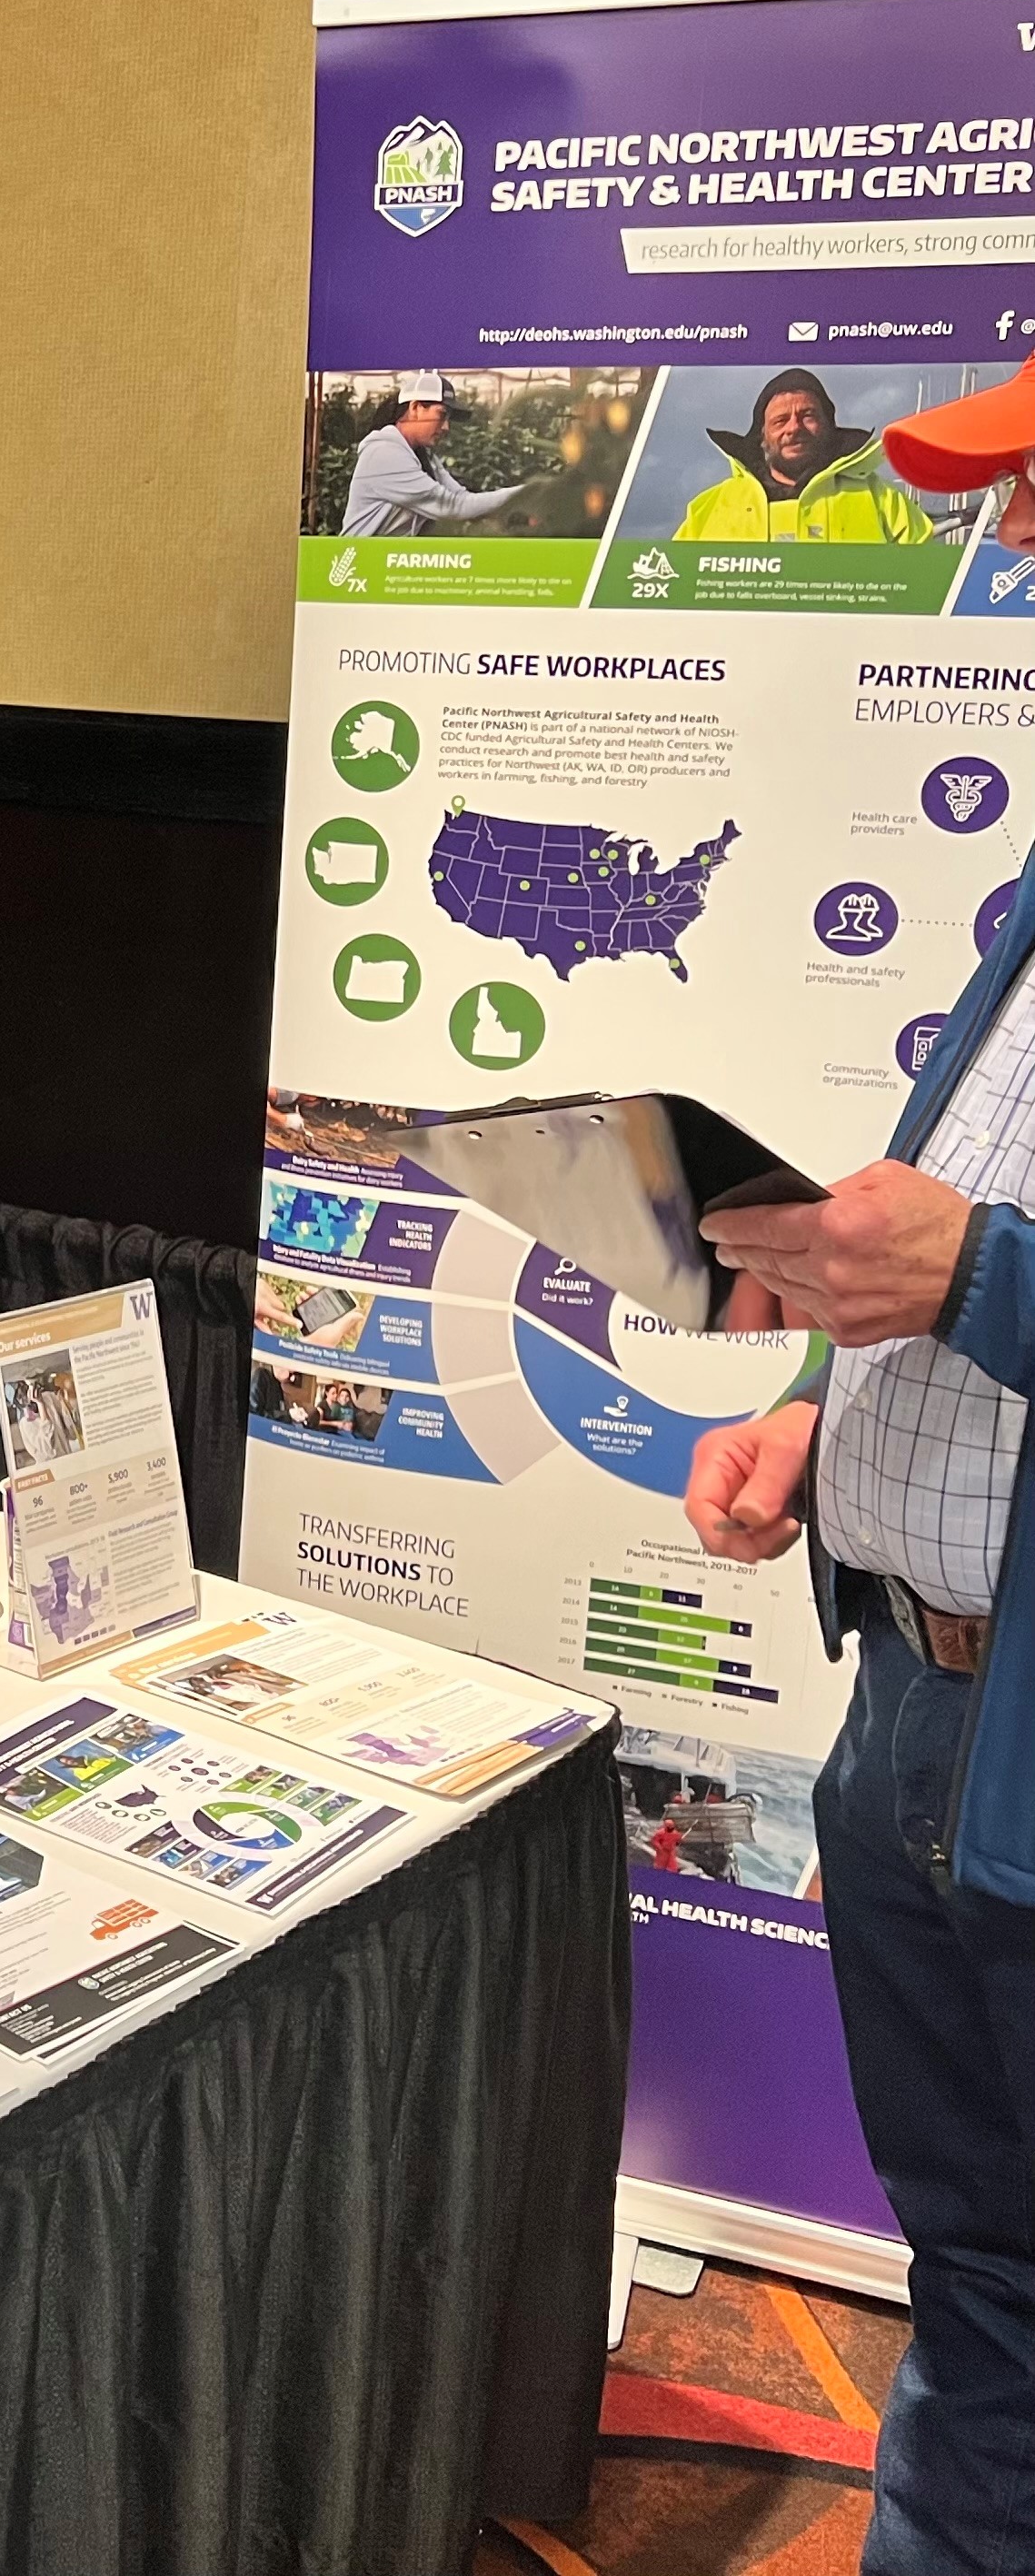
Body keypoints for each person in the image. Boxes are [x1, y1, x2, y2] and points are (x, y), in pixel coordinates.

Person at [680, 357, 1035, 2576]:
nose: (997, 552)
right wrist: (809, 1426)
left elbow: (987, 1265)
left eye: (1032, 501)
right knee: (979, 2284)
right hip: (912, 1717)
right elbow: (948, 1255)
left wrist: (979, 1275)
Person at [673, 368, 931, 545]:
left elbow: (928, 577)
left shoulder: (882, 500)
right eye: (780, 420)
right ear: (762, 437)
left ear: (829, 428)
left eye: (807, 416)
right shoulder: (708, 508)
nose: (794, 428)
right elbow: (676, 590)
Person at [337, 373, 532, 536]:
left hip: (385, 564)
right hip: (359, 566)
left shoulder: (422, 455)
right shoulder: (384, 453)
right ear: (415, 408)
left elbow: (462, 498)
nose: (446, 427)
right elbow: (453, 507)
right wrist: (530, 493)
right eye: (441, 415)